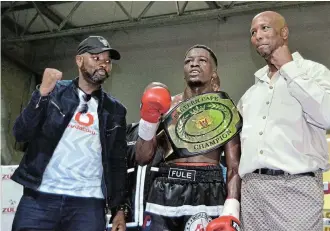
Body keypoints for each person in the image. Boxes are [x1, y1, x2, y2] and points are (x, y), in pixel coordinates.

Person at [237, 11, 330, 231]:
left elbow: (329, 115)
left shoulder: (314, 73)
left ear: (284, 32)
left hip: (297, 189)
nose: (258, 35)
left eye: (265, 28)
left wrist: (290, 68)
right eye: (253, 32)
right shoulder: (251, 93)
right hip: (251, 191)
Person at [11, 36, 129, 231]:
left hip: (88, 204)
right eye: (96, 58)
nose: (103, 64)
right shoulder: (54, 92)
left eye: (107, 61)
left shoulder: (115, 110)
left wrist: (119, 210)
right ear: (79, 60)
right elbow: (21, 133)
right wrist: (41, 95)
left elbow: (118, 162)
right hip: (40, 198)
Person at [135, 45, 243, 231]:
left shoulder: (225, 111)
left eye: (202, 60)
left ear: (214, 72)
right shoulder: (166, 106)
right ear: (183, 71)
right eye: (188, 61)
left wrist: (231, 209)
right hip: (165, 187)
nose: (194, 64)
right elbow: (142, 158)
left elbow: (234, 168)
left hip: (208, 189)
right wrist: (148, 120)